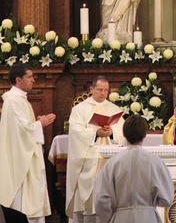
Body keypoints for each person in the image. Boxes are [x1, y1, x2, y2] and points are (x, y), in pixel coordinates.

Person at [0, 63, 56, 223]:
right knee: (21, 204)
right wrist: (40, 124)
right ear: (18, 79)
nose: (33, 80)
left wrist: (36, 124)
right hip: (20, 161)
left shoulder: (20, 100)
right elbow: (22, 131)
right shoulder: (13, 101)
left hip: (28, 157)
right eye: (29, 77)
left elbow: (22, 127)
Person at [66, 75, 126, 223]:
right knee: (89, 198)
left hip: (110, 159)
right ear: (91, 89)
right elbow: (75, 132)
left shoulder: (114, 108)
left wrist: (112, 133)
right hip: (88, 159)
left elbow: (123, 131)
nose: (103, 93)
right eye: (99, 90)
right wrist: (95, 133)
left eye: (106, 90)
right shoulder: (80, 109)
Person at [93, 114, 174, 223]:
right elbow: (167, 198)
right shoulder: (155, 162)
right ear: (145, 134)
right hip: (147, 217)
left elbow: (101, 199)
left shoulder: (112, 163)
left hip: (120, 218)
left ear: (124, 134)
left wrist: (111, 218)